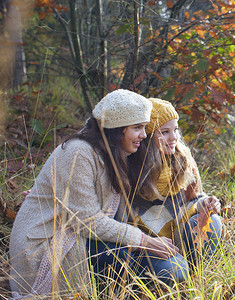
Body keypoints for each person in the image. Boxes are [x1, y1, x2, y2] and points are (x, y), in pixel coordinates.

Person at [8, 89, 169, 298]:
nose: (144, 135)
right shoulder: (78, 152)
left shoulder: (115, 155)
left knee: (174, 267)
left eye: (144, 127)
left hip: (82, 237)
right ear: (116, 129)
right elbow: (87, 221)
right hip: (47, 246)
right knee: (169, 269)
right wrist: (144, 241)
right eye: (137, 127)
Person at [93, 98, 222, 286]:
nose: (174, 138)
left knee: (212, 222)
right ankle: (169, 274)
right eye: (165, 132)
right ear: (148, 135)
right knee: (173, 271)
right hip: (141, 243)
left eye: (175, 130)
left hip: (176, 236)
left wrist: (204, 202)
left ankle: (193, 276)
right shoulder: (126, 166)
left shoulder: (181, 160)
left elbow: (192, 199)